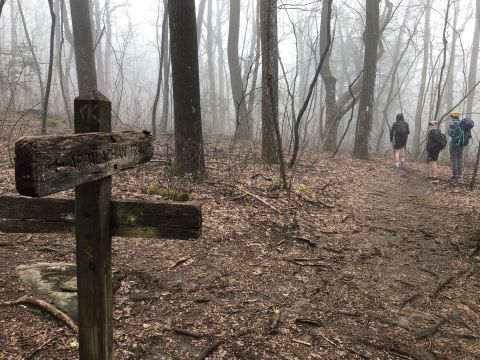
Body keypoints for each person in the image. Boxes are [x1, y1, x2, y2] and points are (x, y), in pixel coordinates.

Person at [447, 109, 472, 181]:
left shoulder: (452, 124)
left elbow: (451, 134)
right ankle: (459, 174)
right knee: (459, 158)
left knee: (453, 159)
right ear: (458, 116)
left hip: (454, 144)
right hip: (461, 144)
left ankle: (455, 175)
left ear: (452, 116)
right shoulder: (463, 124)